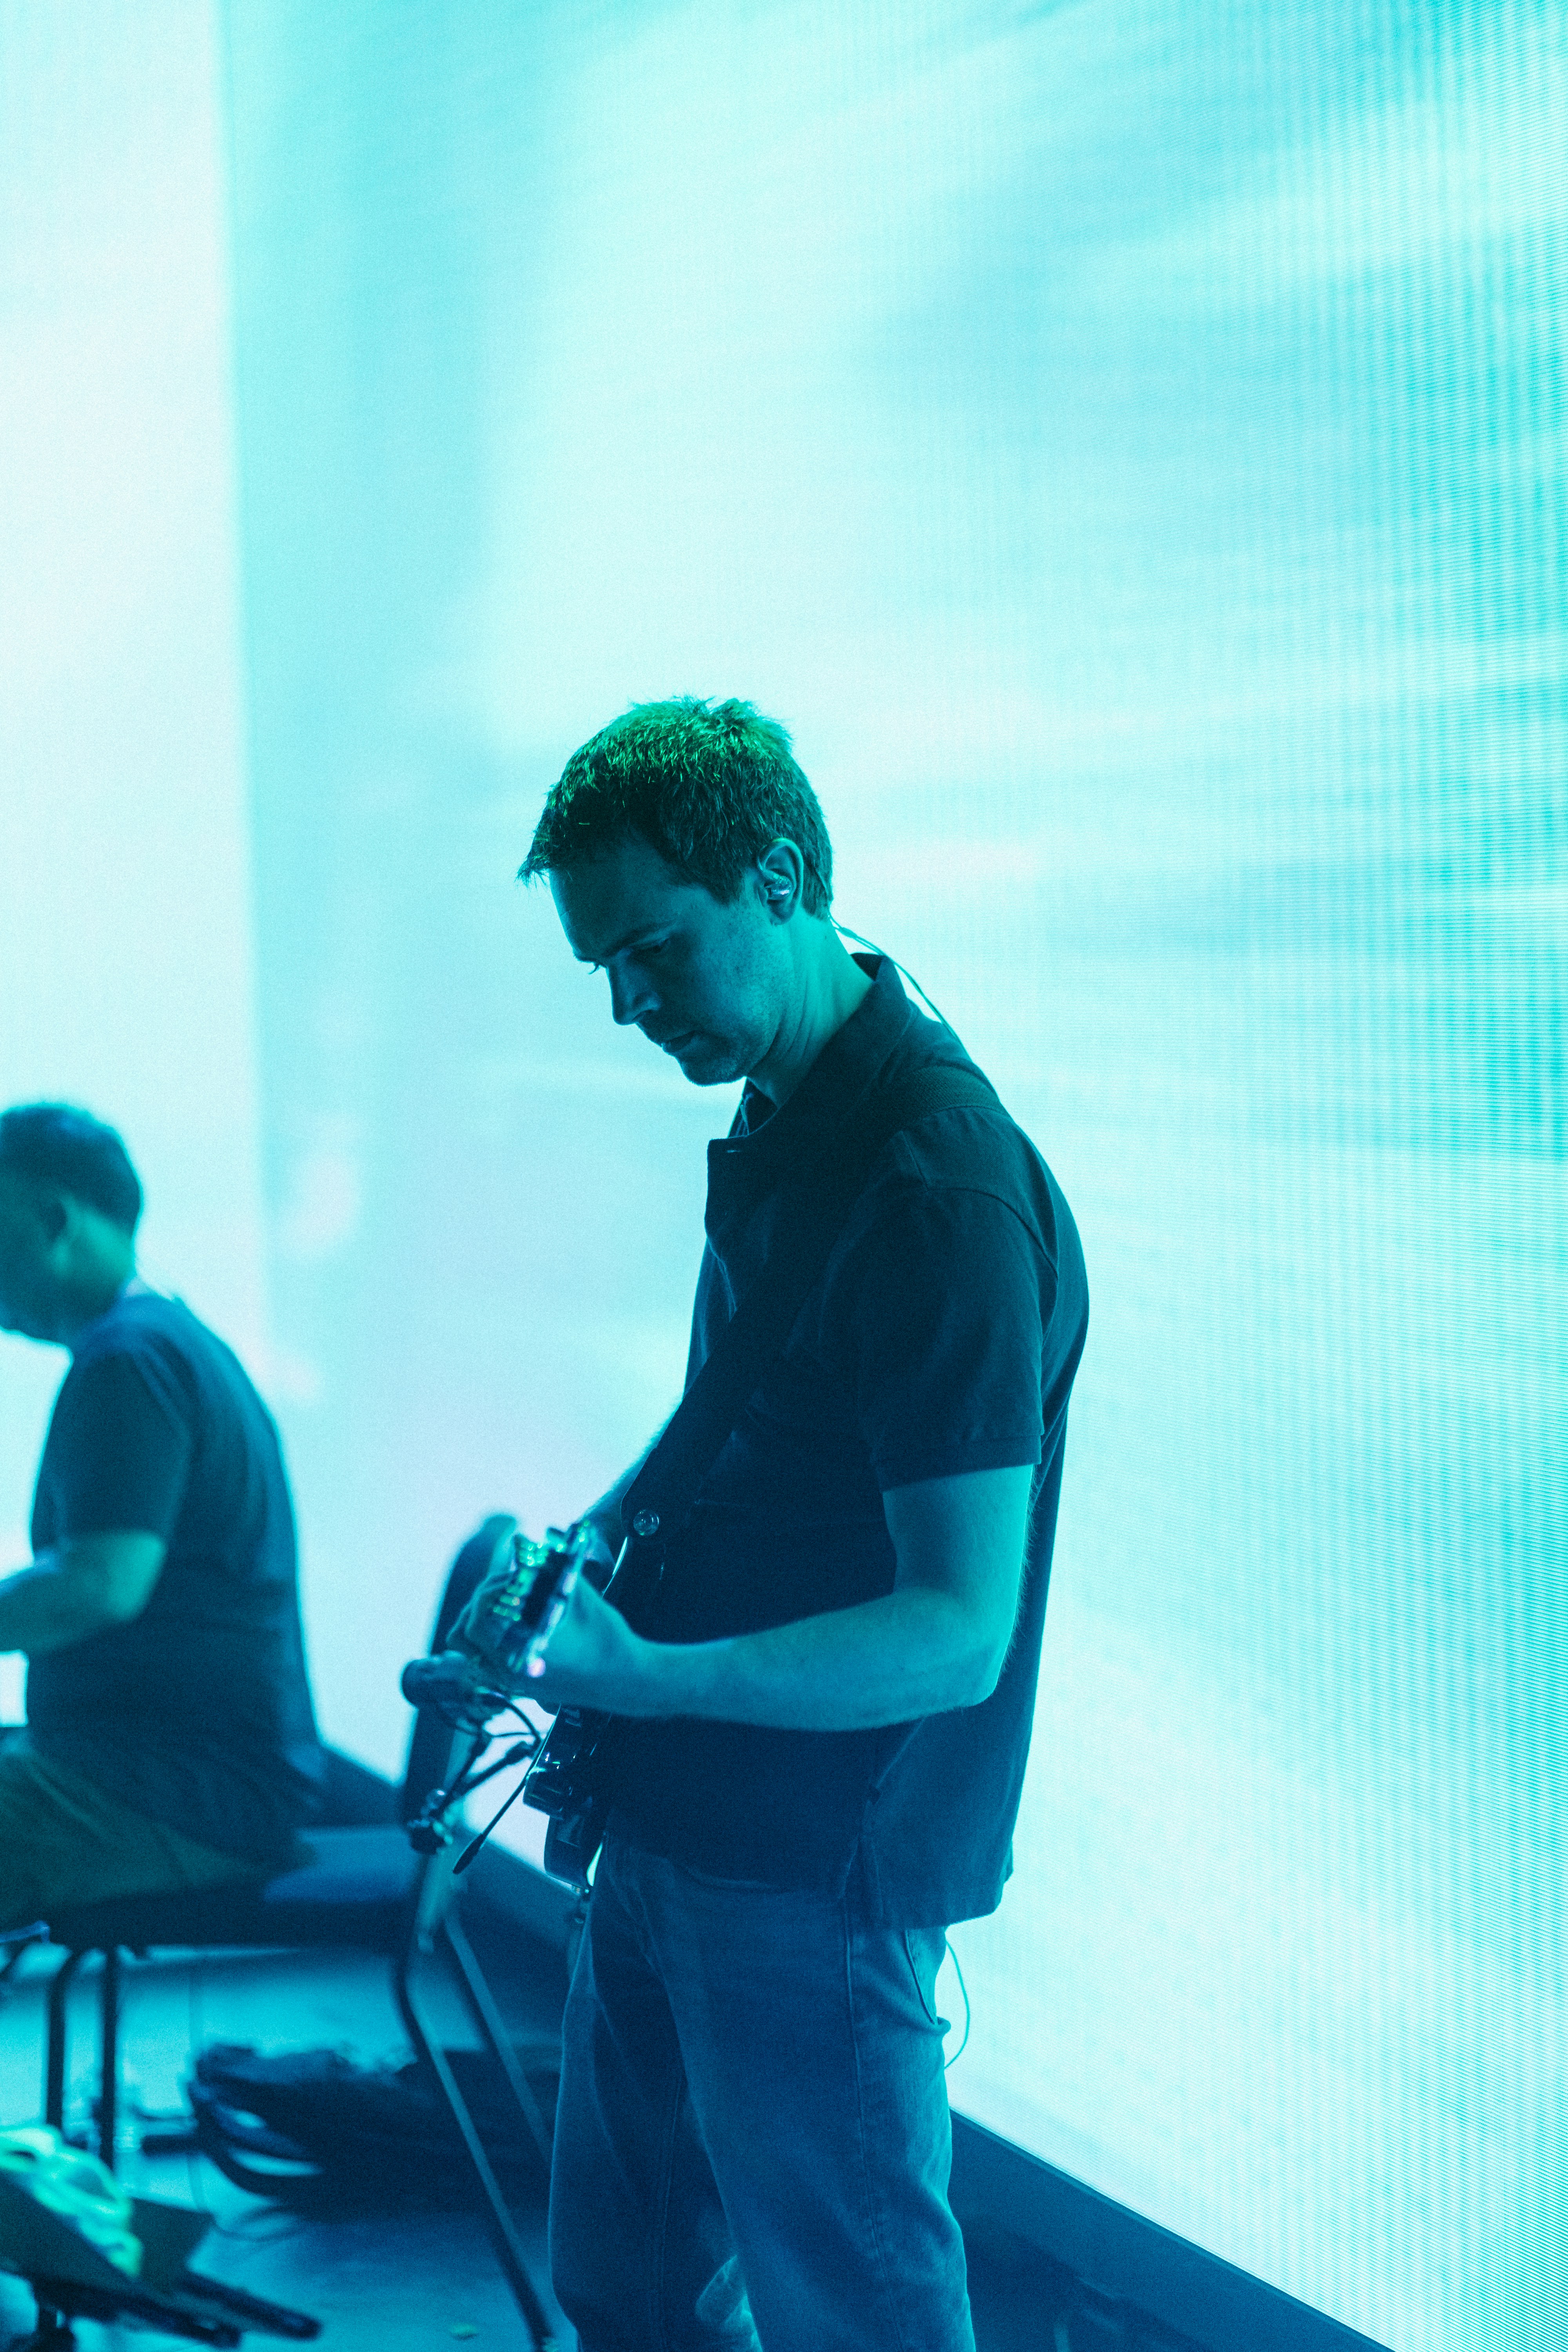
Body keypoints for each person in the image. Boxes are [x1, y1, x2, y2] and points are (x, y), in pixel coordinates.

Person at [470, 696, 1088, 2351]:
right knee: (633, 2298)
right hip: (691, 1832)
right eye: (605, 967)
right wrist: (584, 1567)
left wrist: (645, 1678)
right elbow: (755, 1443)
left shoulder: (934, 1186)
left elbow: (953, 1632)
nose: (626, 1005)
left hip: (809, 1873)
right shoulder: (794, 1119)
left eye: (653, 950)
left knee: (857, 2322)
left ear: (781, 874)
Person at [0, 1104, 324, 1928]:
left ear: (52, 1219)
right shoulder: (164, 1342)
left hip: (177, 1793)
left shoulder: (128, 1363)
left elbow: (98, 1588)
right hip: (181, 1778)